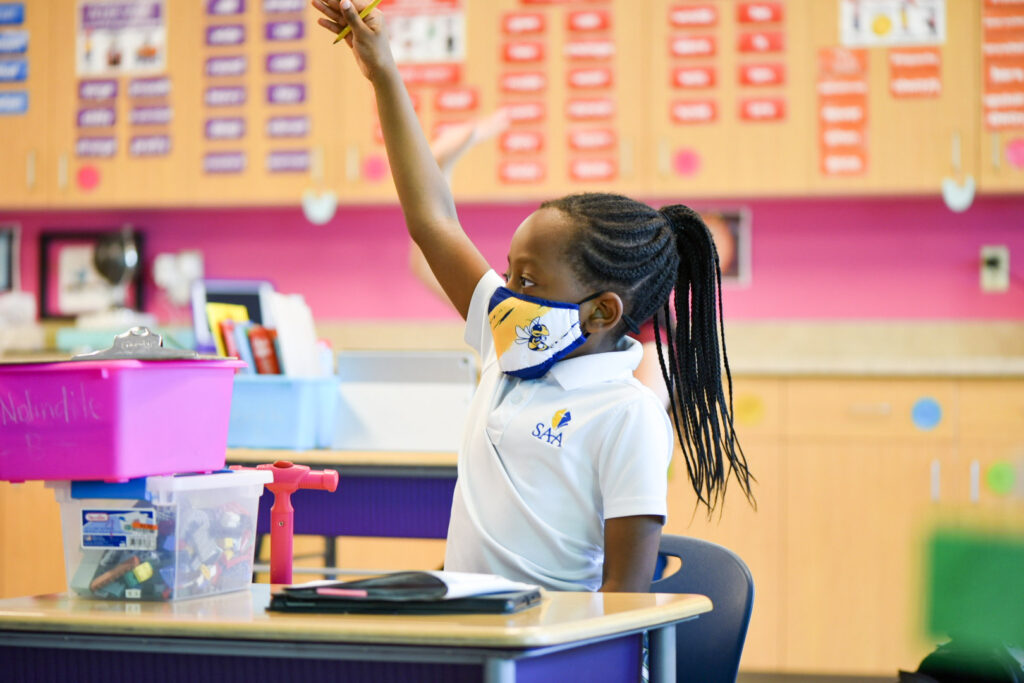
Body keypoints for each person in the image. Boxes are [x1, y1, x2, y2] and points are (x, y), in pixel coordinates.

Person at [313, 0, 753, 593]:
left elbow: (624, 602)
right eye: (509, 272)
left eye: (528, 282)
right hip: (473, 634)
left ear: (601, 312)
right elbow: (432, 221)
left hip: (557, 650)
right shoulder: (509, 346)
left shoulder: (630, 415)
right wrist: (383, 71)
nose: (506, 292)